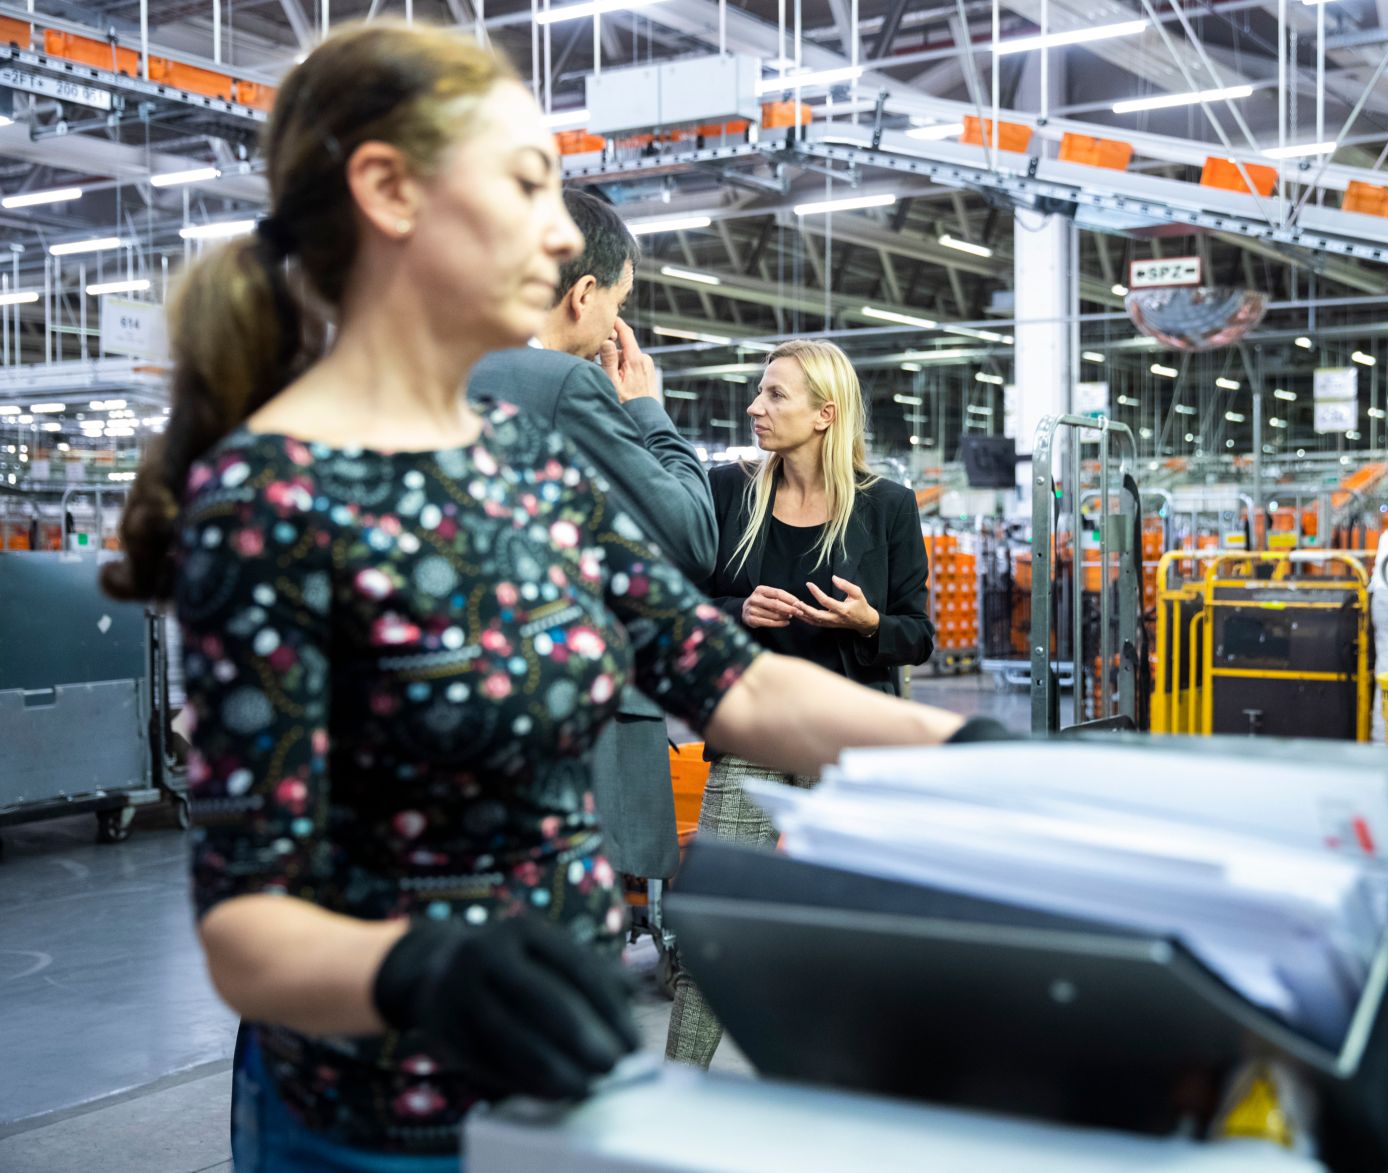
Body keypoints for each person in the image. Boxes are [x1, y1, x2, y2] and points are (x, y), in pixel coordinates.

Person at [98, 24, 969, 1169]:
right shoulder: (270, 500)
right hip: (371, 1127)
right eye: (524, 188)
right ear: (388, 190)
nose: (561, 236)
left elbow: (733, 687)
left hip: (561, 1103)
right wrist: (419, 968)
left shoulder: (525, 454)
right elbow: (247, 935)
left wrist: (975, 750)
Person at [665, 338, 933, 1068]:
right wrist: (736, 607)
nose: (755, 405)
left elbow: (918, 634)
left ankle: (851, 1104)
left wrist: (868, 623)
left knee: (853, 935)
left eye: (774, 394)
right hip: (751, 732)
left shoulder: (886, 507)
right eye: (759, 391)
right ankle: (673, 1098)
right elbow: (681, 604)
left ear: (825, 413)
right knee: (710, 929)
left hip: (848, 745)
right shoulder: (730, 492)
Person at [469, 189, 711, 885]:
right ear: (581, 293)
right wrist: (647, 414)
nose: (617, 322)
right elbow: (689, 534)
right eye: (618, 300)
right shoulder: (557, 382)